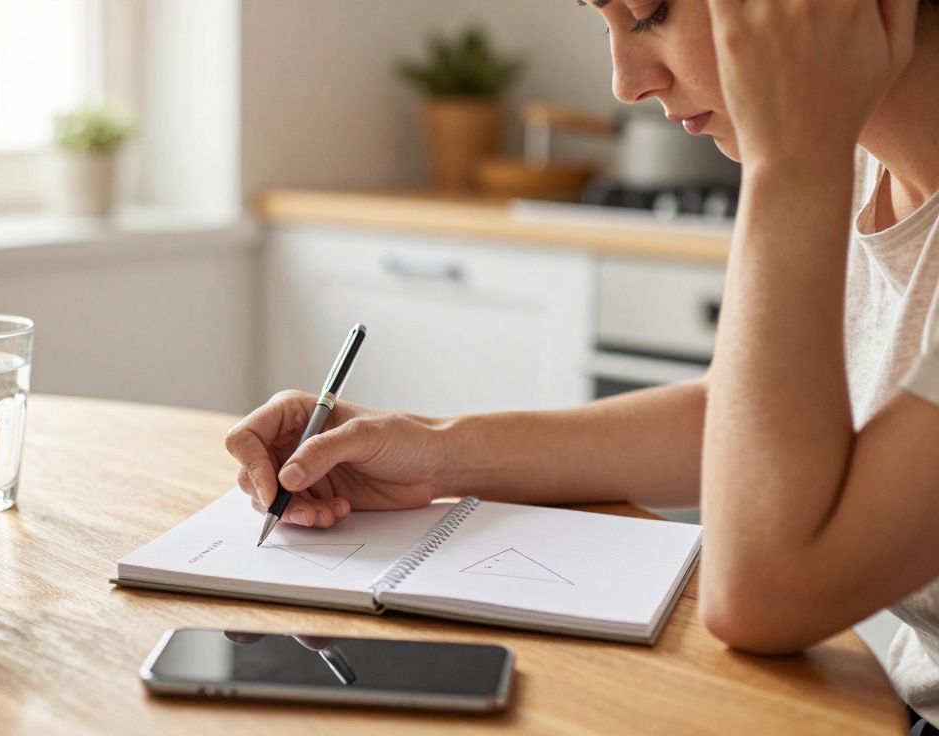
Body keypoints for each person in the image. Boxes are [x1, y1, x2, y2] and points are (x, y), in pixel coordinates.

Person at [225, 0, 939, 730]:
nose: (624, 83)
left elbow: (764, 596)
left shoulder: (813, 153)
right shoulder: (856, 160)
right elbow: (740, 426)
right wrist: (435, 451)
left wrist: (788, 160)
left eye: (651, 12)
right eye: (607, 23)